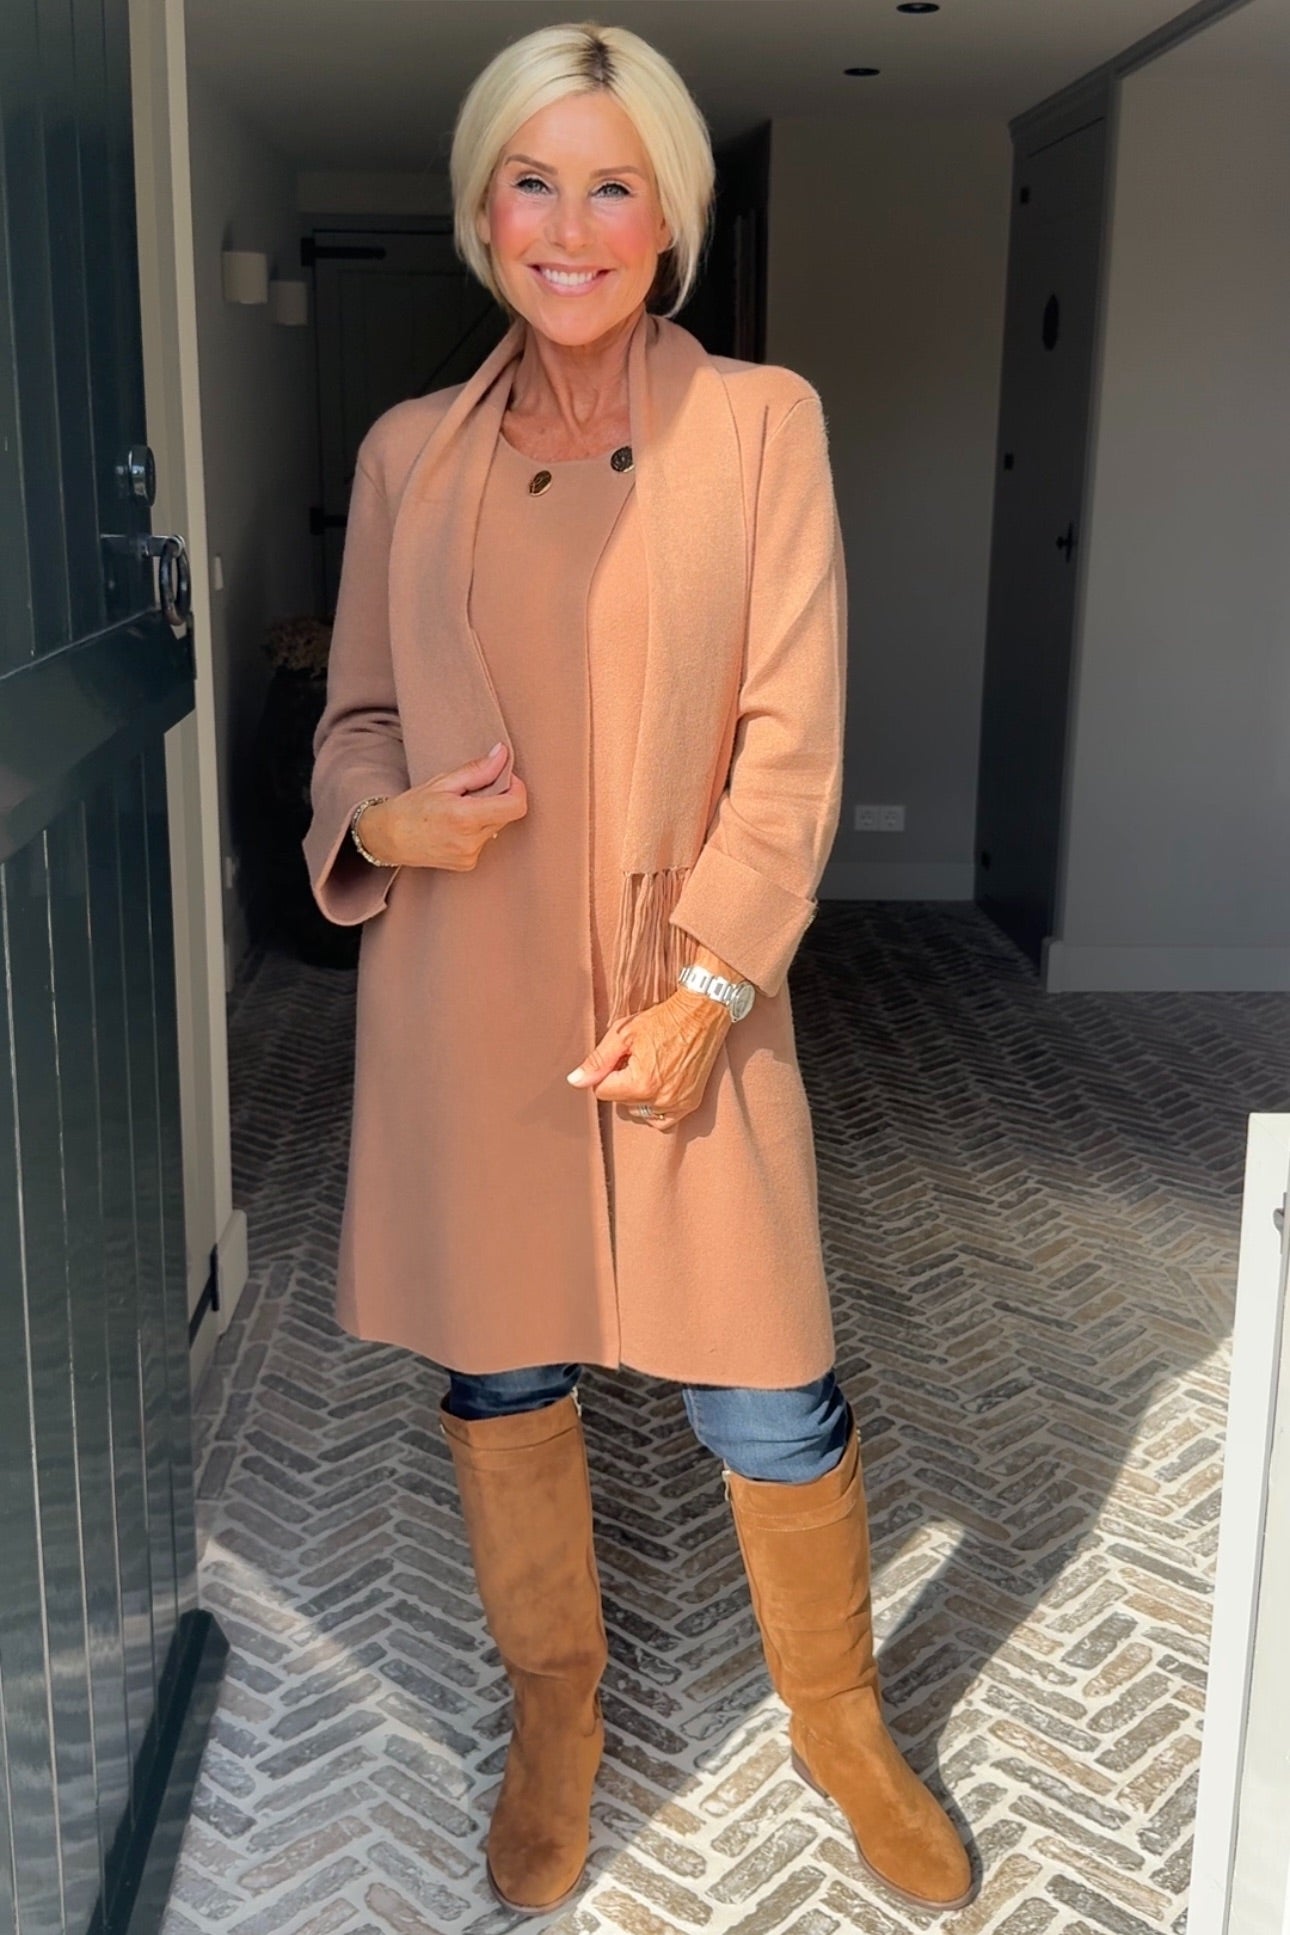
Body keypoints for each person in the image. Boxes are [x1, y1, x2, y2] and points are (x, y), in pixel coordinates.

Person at [304, 18, 975, 1921]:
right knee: (501, 1367)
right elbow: (354, 721)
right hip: (467, 997)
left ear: (668, 215)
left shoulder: (756, 423)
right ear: (481, 212)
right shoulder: (407, 453)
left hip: (689, 986)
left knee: (769, 1381)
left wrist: (710, 993)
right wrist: (380, 823)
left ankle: (837, 1724)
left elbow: (791, 740)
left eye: (614, 186)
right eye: (534, 181)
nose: (571, 225)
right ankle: (558, 1715)